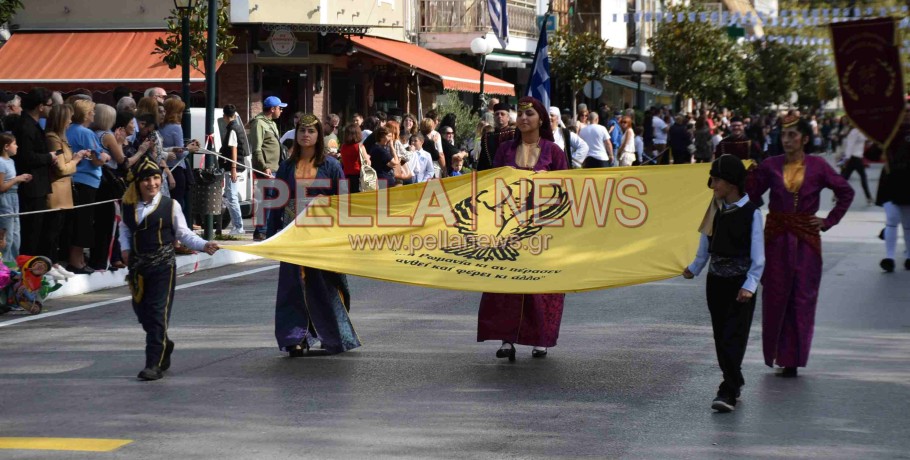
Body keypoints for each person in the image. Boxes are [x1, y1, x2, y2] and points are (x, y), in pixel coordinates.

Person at [747, 115, 854, 377]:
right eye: (784, 135)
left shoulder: (818, 166)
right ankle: (777, 354)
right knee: (775, 296)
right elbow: (750, 195)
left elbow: (846, 192)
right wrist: (746, 173)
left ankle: (793, 357)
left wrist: (829, 221)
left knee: (802, 298)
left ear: (805, 139)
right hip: (776, 239)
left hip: (806, 240)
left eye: (793, 135)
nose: (787, 140)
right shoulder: (770, 165)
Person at [479, 96, 569, 360]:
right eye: (520, 114)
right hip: (508, 227)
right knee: (507, 281)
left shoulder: (554, 152)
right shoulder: (505, 149)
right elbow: (491, 185)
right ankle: (507, 339)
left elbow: (567, 189)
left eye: (529, 114)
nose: (523, 118)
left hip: (543, 228)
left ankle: (539, 339)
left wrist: (549, 181)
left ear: (541, 119)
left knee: (539, 286)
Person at [266, 114, 360, 357]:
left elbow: (342, 202)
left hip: (322, 233)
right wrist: (270, 233)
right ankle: (294, 337)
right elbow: (277, 201)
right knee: (293, 286)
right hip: (293, 234)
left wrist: (342, 231)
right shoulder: (287, 166)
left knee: (323, 285)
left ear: (319, 136)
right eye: (301, 130)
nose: (305, 135)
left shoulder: (331, 165)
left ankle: (331, 335)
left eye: (311, 131)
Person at [119, 155, 219, 380]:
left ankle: (152, 363)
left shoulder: (170, 205)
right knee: (143, 314)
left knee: (157, 314)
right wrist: (125, 249)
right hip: (138, 268)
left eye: (155, 178)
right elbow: (124, 229)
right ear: (137, 182)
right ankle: (164, 343)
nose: (152, 183)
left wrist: (204, 245)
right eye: (146, 179)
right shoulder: (127, 205)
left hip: (163, 266)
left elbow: (183, 233)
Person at [684, 155, 765, 412]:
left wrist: (750, 285)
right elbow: (705, 245)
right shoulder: (715, 209)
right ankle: (735, 378)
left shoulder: (752, 213)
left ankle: (727, 389)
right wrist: (694, 269)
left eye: (716, 180)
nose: (712, 185)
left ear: (731, 183)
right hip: (715, 282)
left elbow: (758, 255)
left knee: (734, 335)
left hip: (739, 284)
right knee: (720, 335)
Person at [66, 100, 111, 274]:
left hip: (73, 179)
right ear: (85, 114)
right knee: (83, 222)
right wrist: (106, 156)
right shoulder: (86, 133)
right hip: (86, 180)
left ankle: (76, 259)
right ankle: (76, 260)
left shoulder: (68, 131)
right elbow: (97, 158)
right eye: (92, 111)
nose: (94, 115)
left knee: (76, 221)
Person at [12, 88, 56, 261]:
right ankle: (26, 269)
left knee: (37, 230)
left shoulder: (33, 124)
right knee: (31, 231)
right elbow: (26, 157)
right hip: (31, 185)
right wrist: (48, 157)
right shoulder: (25, 126)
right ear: (40, 107)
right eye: (49, 105)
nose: (51, 109)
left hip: (38, 184)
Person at [45, 104, 86, 270]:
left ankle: (55, 261)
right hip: (56, 193)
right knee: (52, 230)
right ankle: (50, 262)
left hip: (64, 191)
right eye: (68, 117)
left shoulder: (61, 138)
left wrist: (75, 158)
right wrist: (76, 160)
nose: (70, 121)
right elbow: (61, 168)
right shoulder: (52, 139)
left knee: (60, 229)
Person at [249, 96, 287, 240]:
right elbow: (257, 149)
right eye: (279, 108)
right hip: (266, 168)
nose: (281, 111)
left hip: (275, 167)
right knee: (266, 198)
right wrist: (264, 167)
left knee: (272, 198)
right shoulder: (259, 123)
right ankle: (261, 230)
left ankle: (268, 228)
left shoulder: (271, 123)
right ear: (272, 109)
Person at [875, 118, 910, 272]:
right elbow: (872, 154)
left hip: (907, 181)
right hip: (890, 180)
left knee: (908, 223)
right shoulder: (888, 131)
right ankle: (890, 257)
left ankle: (909, 255)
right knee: (892, 218)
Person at [0, 133, 32, 263]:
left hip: (14, 198)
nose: (17, 146)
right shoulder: (1, 162)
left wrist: (21, 179)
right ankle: (5, 265)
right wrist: (17, 179)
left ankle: (14, 262)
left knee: (15, 233)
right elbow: (1, 187)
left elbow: (10, 182)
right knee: (7, 234)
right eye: (14, 144)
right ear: (6, 146)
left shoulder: (11, 161)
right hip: (5, 200)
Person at [219, 104, 246, 235]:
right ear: (234, 115)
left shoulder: (232, 129)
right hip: (236, 166)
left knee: (232, 197)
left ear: (224, 116)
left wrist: (233, 168)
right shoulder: (238, 127)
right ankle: (234, 225)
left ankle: (238, 226)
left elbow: (233, 149)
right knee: (228, 196)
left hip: (233, 168)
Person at [839, 119, 873, 205]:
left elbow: (868, 140)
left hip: (857, 158)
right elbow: (850, 146)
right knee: (861, 177)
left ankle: (836, 195)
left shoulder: (861, 131)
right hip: (853, 158)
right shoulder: (854, 132)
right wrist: (846, 158)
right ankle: (869, 198)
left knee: (845, 178)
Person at [476, 102, 515, 171]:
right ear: (494, 117)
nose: (499, 116)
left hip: (509, 173)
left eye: (502, 114)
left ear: (508, 117)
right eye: (497, 114)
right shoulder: (487, 137)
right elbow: (483, 160)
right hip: (491, 174)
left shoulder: (514, 133)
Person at [339, 123, 367, 193]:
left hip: (346, 176)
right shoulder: (359, 147)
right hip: (358, 176)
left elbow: (342, 161)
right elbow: (367, 163)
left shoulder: (343, 147)